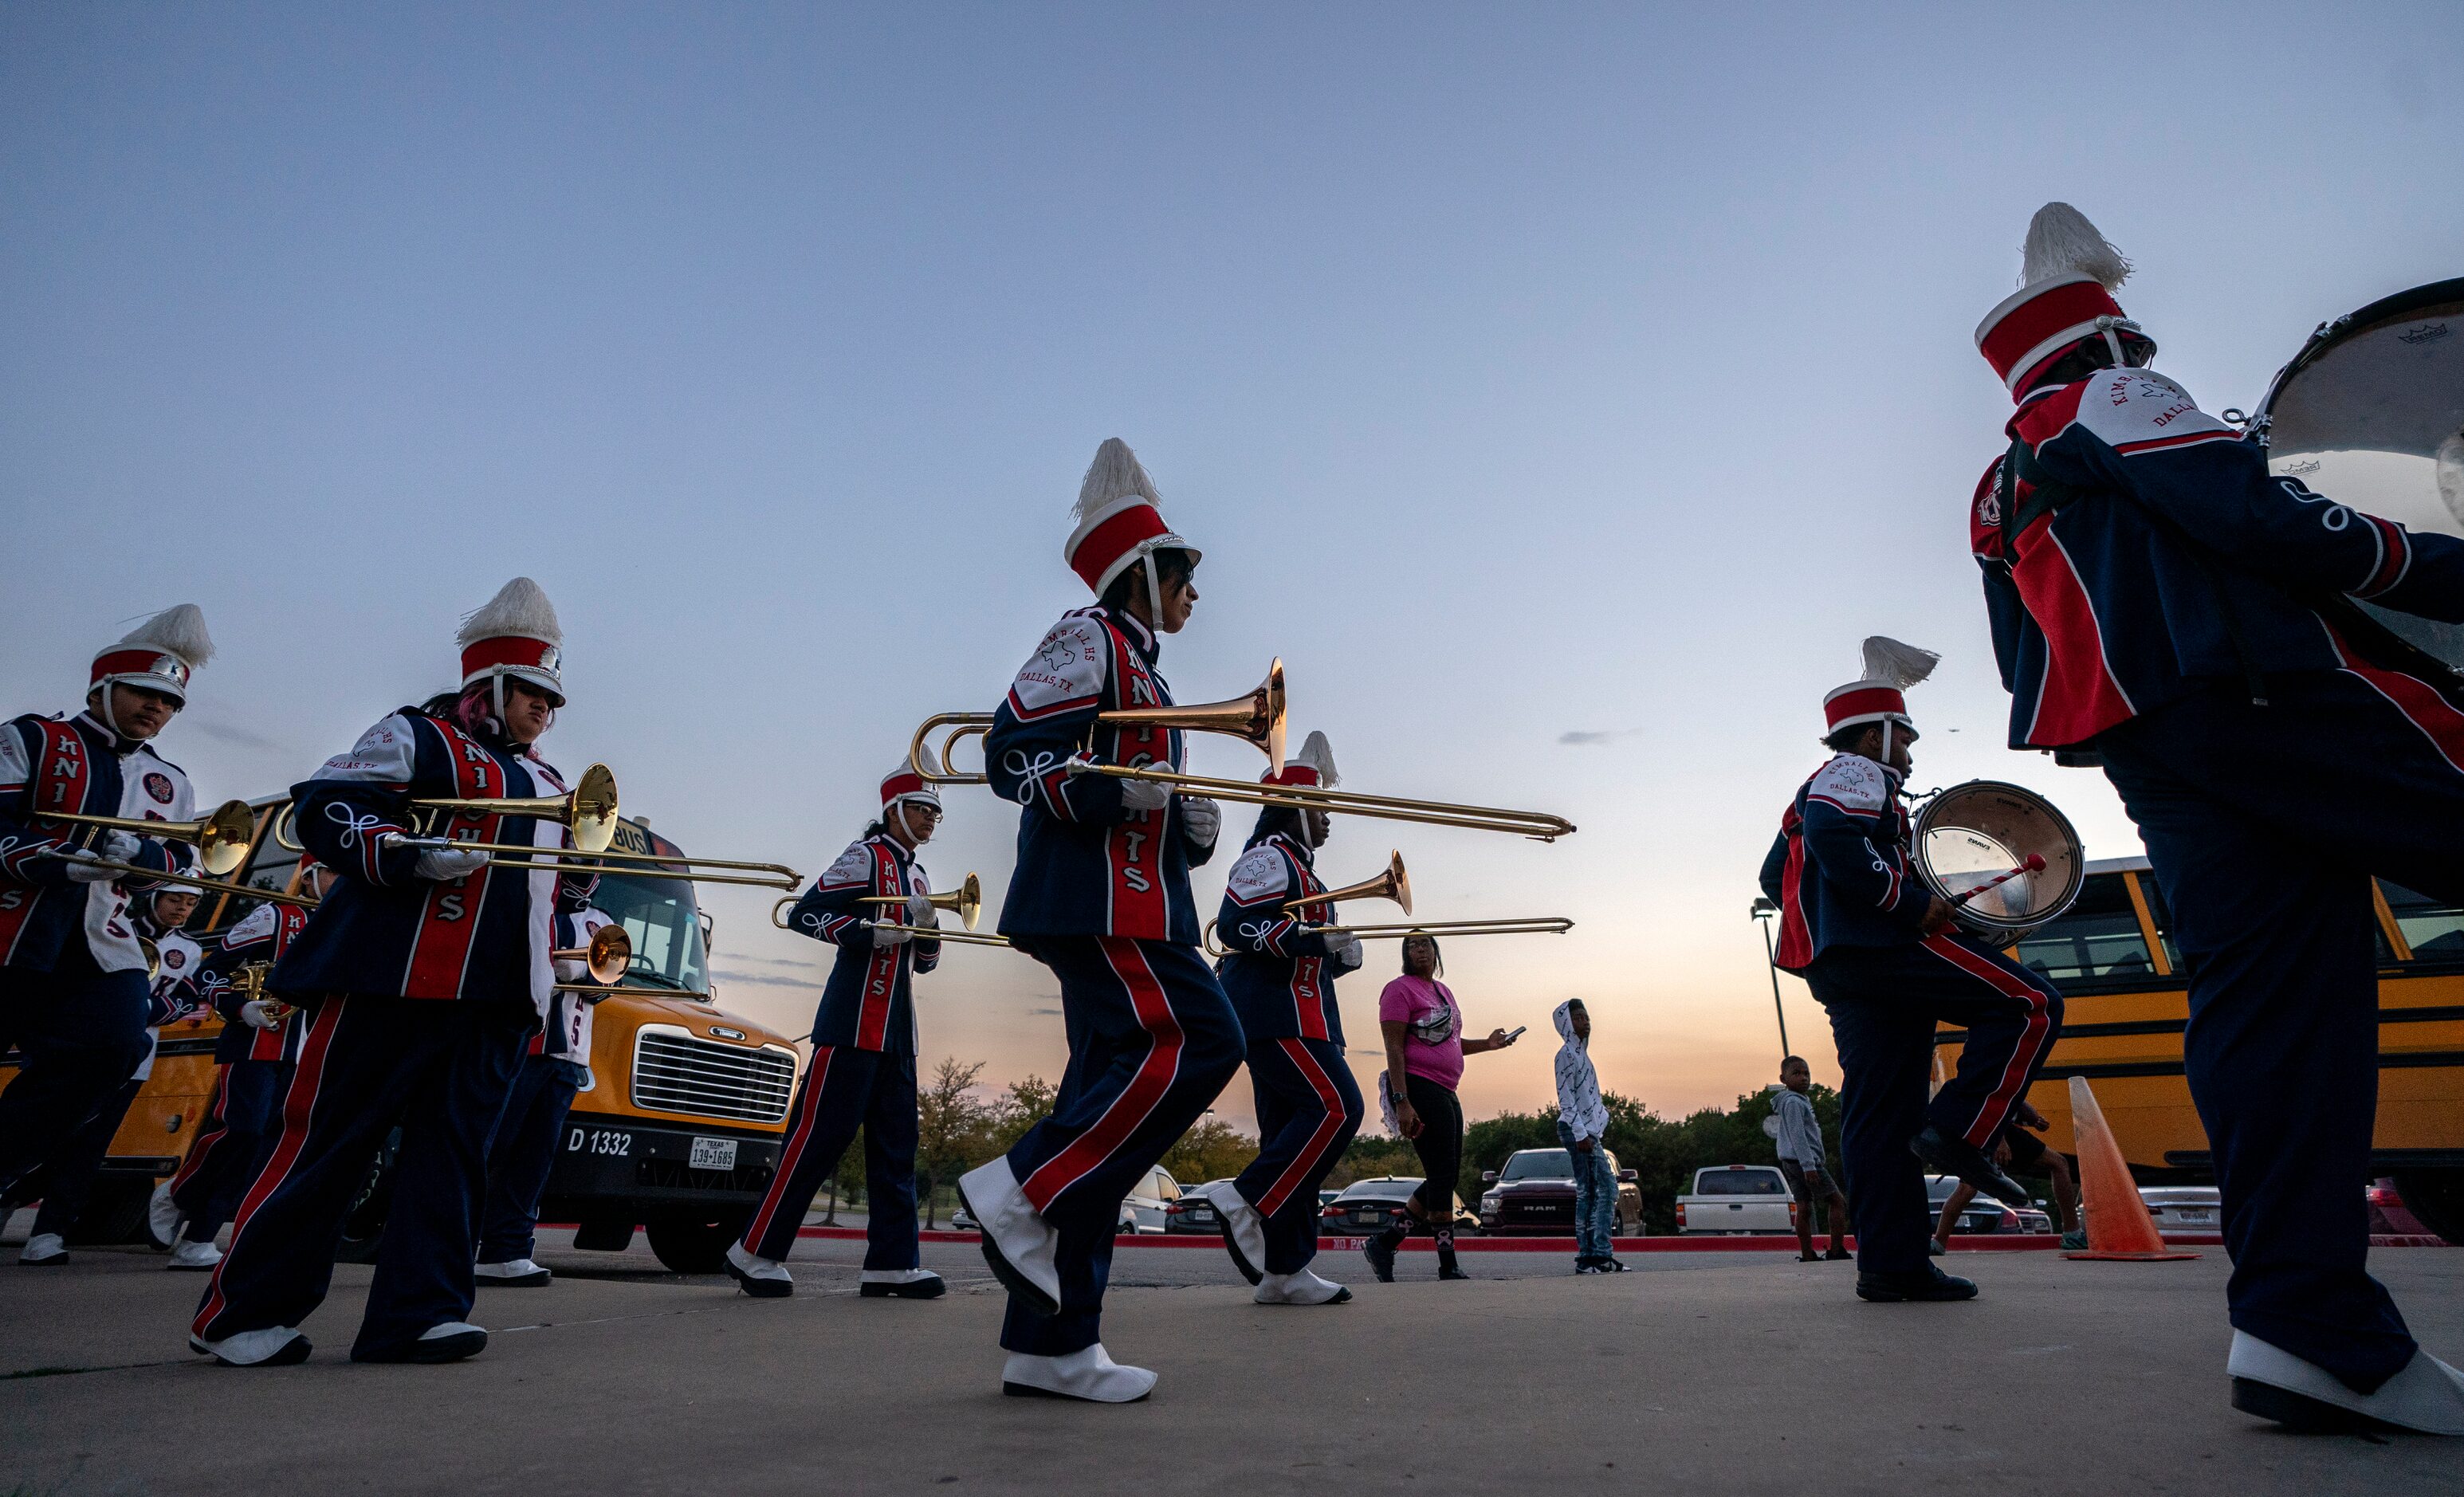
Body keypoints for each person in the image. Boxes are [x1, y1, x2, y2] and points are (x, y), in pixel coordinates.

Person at [1967, 203, 2464, 1432]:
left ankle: (2309, 1334)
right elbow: (2263, 524)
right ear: (2109, 337)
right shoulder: (2117, 399)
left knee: (2276, 1016)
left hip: (2159, 749)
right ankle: (2309, 1328)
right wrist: (2438, 563)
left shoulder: (1994, 485)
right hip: (2264, 693)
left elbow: (2016, 657)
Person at [189, 577, 592, 1369]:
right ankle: (240, 1316)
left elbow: (569, 892)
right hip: (391, 983)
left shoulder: (551, 785)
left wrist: (582, 861)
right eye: (534, 694)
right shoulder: (417, 735)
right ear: (492, 686)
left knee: (455, 1158)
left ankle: (419, 1314)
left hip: (499, 998)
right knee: (329, 1147)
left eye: (555, 697)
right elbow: (328, 806)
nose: (547, 709)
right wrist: (403, 852)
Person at [956, 438, 1244, 1404]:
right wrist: (1119, 796)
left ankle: (1052, 1346)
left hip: (1139, 898)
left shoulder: (1149, 673)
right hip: (1103, 909)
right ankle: (1020, 1190)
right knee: (1203, 1040)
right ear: (1141, 572)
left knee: (1105, 1107)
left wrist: (1189, 827)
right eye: (1184, 576)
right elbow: (1012, 755)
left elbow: (1138, 797)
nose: (1195, 596)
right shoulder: (1089, 638)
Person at [1758, 637, 2064, 1304]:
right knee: (2030, 1005)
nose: (1911, 753)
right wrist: (1907, 900)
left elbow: (1770, 875)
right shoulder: (1856, 775)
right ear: (1875, 737)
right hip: (1878, 947)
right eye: (1904, 738)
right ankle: (1959, 1133)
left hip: (1835, 966)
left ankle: (1892, 1265)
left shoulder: (1813, 791)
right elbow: (1838, 839)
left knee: (1879, 1114)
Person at [0, 605, 214, 1217]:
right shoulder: (34, 738)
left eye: (170, 703)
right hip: (15, 929)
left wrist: (142, 851)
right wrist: (59, 861)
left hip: (103, 942)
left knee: (114, 1052)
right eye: (144, 694)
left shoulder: (171, 781)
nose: (157, 710)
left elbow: (187, 864)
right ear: (103, 688)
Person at [723, 766, 950, 1303]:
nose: (930, 819)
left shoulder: (918, 878)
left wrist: (931, 929)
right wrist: (869, 933)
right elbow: (806, 914)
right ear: (894, 809)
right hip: (850, 1025)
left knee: (898, 1151)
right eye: (922, 808)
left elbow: (926, 964)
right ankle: (754, 1250)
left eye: (936, 812)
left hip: (898, 1035)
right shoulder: (864, 856)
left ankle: (892, 1265)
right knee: (815, 1144)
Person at [1204, 731, 1366, 1306]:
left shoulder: (1304, 872)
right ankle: (1244, 1195)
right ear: (1293, 810)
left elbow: (1299, 955)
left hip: (1303, 1015)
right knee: (1337, 1109)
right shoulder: (1267, 856)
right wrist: (1312, 941)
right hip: (1275, 1017)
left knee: (1290, 1141)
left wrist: (1337, 957)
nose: (1327, 821)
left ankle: (1283, 1271)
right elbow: (1235, 928)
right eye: (1319, 810)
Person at [159, 864, 334, 1271]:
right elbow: (206, 973)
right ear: (308, 876)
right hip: (256, 1040)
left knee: (265, 1148)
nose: (342, 882)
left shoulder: (352, 919)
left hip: (309, 1050)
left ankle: (199, 1238)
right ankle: (178, 1192)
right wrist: (240, 1007)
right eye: (333, 873)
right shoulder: (273, 914)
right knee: (244, 1130)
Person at [16, 886, 202, 1264]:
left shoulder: (191, 950)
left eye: (190, 903)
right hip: (84, 1047)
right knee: (43, 1129)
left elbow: (187, 998)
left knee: (90, 1146)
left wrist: (141, 1008)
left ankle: (48, 1233)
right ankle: (11, 1196)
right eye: (173, 900)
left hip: (135, 1061)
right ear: (152, 898)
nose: (181, 909)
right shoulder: (110, 928)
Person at [1366, 933, 1520, 1283]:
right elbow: (1393, 1048)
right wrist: (1402, 1101)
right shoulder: (1398, 990)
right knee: (1441, 1174)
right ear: (1405, 954)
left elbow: (1450, 1043)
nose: (1420, 949)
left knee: (1446, 1175)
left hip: (1447, 1089)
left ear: (1436, 951)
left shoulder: (1443, 992)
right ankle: (1447, 1262)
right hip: (1418, 1087)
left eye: (1426, 944)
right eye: (1412, 945)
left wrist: (1489, 1044)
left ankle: (1386, 1243)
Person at [474, 898, 611, 1288]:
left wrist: (587, 977)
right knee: (490, 1147)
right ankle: (452, 1243)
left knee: (534, 1157)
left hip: (570, 1052)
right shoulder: (537, 898)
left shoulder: (602, 920)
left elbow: (609, 984)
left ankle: (507, 1248)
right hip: (525, 1045)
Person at [1931, 1100, 2079, 1253]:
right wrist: (1999, 1139)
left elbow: (2015, 1099)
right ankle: (2072, 1232)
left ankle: (1939, 1242)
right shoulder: (2005, 1076)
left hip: (1975, 1128)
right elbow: (1994, 1096)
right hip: (1997, 1128)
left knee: (1967, 1187)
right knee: (2059, 1163)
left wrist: (2033, 1119)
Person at [1552, 999, 1624, 1274]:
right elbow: (1566, 1098)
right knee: (1589, 1191)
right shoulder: (1565, 1055)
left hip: (1591, 1131)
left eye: (1586, 1016)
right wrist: (1580, 1132)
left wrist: (1599, 1122)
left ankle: (1601, 1254)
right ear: (1568, 1023)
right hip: (1577, 1130)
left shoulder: (1583, 1054)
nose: (1586, 1021)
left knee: (1606, 1189)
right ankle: (1587, 1257)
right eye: (1579, 1017)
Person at [1772, 1055, 1851, 1263]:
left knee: (1804, 1207)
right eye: (1796, 1073)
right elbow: (1798, 1136)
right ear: (1783, 1079)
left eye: (1806, 1073)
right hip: (1804, 1163)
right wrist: (1809, 1165)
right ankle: (1836, 1250)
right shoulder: (1793, 1103)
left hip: (1790, 1163)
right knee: (1837, 1201)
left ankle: (1808, 1254)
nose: (1803, 1078)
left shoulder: (1796, 1102)